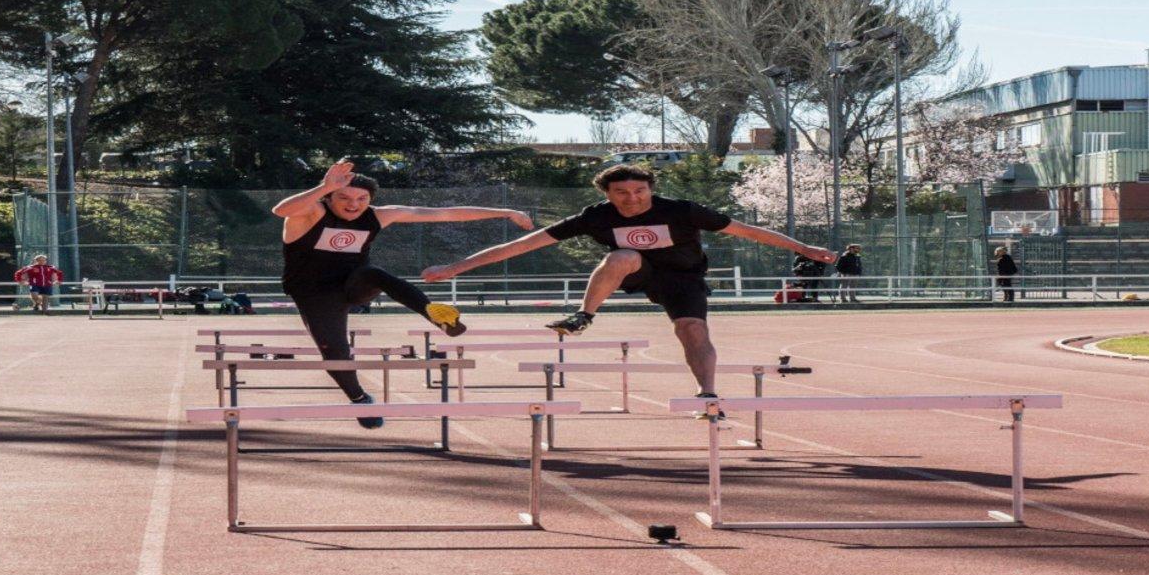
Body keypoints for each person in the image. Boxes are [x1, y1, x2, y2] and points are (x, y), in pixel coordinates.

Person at [421, 164, 835, 412]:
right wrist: (456, 268)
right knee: (622, 257)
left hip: (684, 278)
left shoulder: (682, 210)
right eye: (623, 193)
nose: (633, 199)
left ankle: (706, 395)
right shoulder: (596, 216)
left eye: (640, 191)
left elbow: (747, 231)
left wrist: (803, 248)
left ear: (651, 190)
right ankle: (584, 315)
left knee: (692, 330)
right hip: (637, 271)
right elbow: (524, 244)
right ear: (607, 194)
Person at [272, 159, 533, 429]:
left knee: (373, 273)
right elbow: (281, 210)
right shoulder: (311, 212)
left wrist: (504, 211)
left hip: (353, 284)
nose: (353, 204)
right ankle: (360, 399)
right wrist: (322, 186)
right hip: (315, 294)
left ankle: (433, 312)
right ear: (329, 197)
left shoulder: (379, 215)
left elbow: (442, 214)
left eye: (362, 198)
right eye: (344, 197)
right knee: (336, 354)